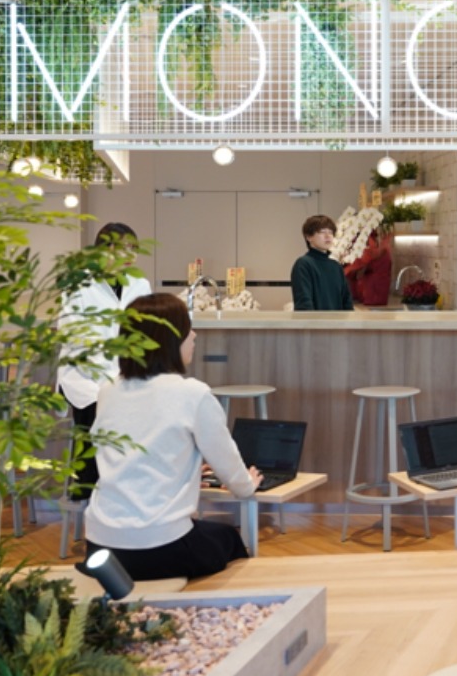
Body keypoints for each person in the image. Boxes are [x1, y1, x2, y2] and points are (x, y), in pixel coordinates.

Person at [84, 293, 263, 580]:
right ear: (169, 340)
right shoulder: (193, 394)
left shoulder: (107, 391)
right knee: (229, 539)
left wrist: (183, 469)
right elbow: (229, 466)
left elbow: (127, 455)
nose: (194, 335)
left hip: (100, 544)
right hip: (161, 545)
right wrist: (247, 485)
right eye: (187, 329)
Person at [57, 222, 153, 496]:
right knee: (97, 416)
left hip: (125, 375)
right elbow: (74, 337)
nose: (130, 255)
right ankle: (90, 499)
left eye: (134, 248)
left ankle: (129, 497)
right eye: (123, 248)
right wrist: (110, 380)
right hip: (85, 376)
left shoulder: (140, 284)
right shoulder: (79, 284)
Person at [291, 214, 354, 311]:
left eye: (331, 232)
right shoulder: (303, 264)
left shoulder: (336, 266)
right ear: (309, 237)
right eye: (322, 232)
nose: (328, 236)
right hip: (315, 320)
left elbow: (347, 302)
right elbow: (304, 304)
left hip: (338, 320)